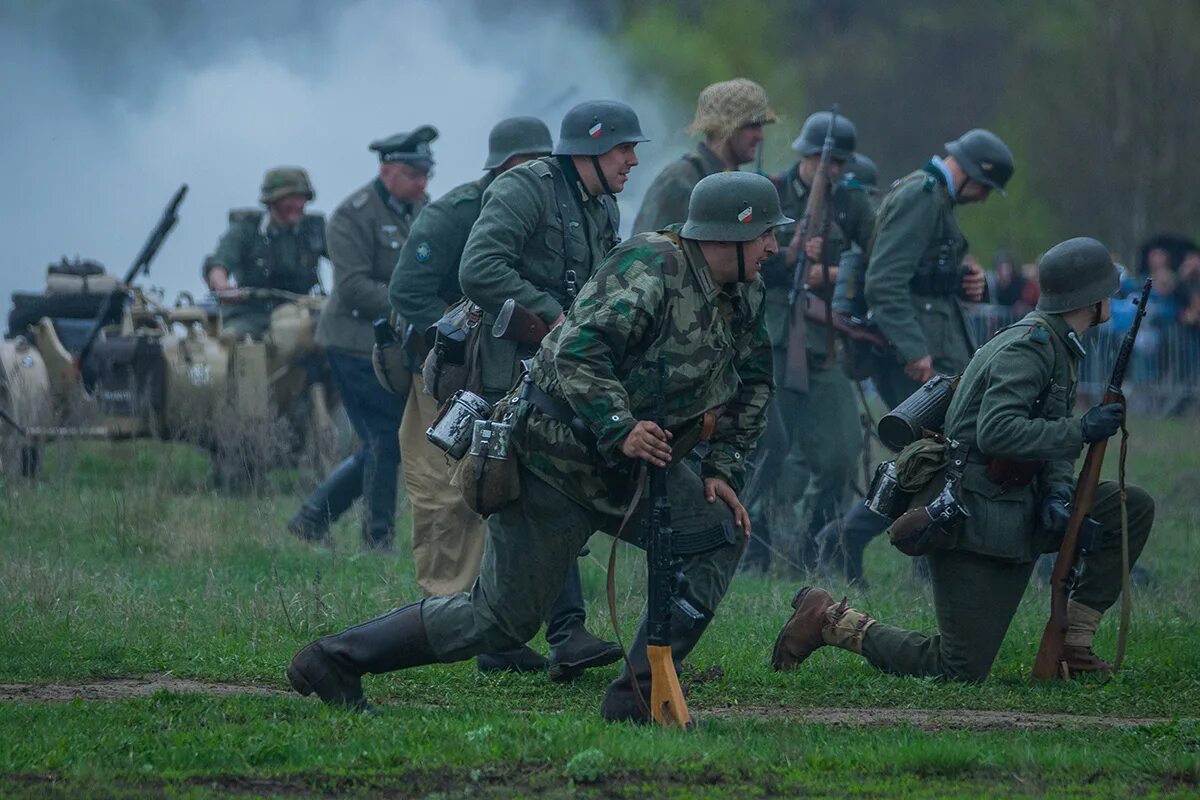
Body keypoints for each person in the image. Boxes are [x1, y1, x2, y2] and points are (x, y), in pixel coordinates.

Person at [286, 170, 785, 721]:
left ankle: (636, 697)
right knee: (500, 619)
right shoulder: (650, 267)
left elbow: (755, 381)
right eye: (765, 233)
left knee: (720, 531)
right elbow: (575, 350)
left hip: (633, 466)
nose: (774, 246)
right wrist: (620, 425)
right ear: (729, 233)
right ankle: (334, 660)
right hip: (556, 456)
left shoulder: (743, 292)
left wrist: (722, 469)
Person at [773, 237, 1154, 682]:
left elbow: (1046, 432)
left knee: (1130, 506)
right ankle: (828, 621)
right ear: (1088, 300)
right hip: (976, 513)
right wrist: (1081, 430)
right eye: (1106, 293)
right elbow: (998, 430)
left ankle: (1076, 643)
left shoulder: (1056, 343)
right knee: (959, 667)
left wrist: (1057, 492)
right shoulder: (1029, 347)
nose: (1109, 300)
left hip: (1017, 499)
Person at [390, 116, 618, 679]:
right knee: (452, 495)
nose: (543, 178)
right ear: (502, 169)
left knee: (529, 485)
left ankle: (544, 631)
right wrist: (458, 337)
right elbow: (409, 291)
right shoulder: (455, 213)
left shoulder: (576, 206)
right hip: (455, 372)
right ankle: (473, 617)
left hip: (529, 363)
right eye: (529, 167)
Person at [817, 128, 1015, 584]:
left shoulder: (933, 198)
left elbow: (922, 277)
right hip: (915, 357)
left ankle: (882, 547)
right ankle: (851, 537)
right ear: (970, 173)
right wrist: (915, 351)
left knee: (936, 458)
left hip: (931, 350)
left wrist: (965, 282)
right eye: (985, 187)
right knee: (933, 458)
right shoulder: (922, 197)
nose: (984, 199)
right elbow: (884, 281)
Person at [289, 127, 435, 550]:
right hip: (354, 342)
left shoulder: (422, 209)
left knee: (384, 439)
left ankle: (313, 516)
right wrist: (413, 304)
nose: (423, 181)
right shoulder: (353, 215)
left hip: (396, 346)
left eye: (427, 172)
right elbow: (352, 287)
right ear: (388, 171)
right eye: (414, 173)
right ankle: (378, 538)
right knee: (385, 438)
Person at [742, 111, 874, 573]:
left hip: (822, 342)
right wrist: (793, 254)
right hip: (771, 336)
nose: (832, 169)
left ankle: (817, 535)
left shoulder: (852, 204)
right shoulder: (769, 192)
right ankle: (746, 537)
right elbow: (747, 262)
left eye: (839, 162)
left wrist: (831, 273)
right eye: (825, 160)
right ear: (807, 155)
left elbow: (876, 261)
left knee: (842, 449)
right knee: (766, 447)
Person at [632, 78, 776, 233]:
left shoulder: (735, 182)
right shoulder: (679, 180)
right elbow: (644, 249)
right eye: (753, 126)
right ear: (726, 127)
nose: (760, 136)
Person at [204, 167, 325, 338]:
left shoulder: (314, 229)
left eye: (301, 198)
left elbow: (346, 257)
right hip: (252, 315)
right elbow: (220, 263)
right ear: (273, 201)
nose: (298, 205)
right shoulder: (246, 229)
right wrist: (223, 287)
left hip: (304, 313)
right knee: (236, 342)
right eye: (290, 199)